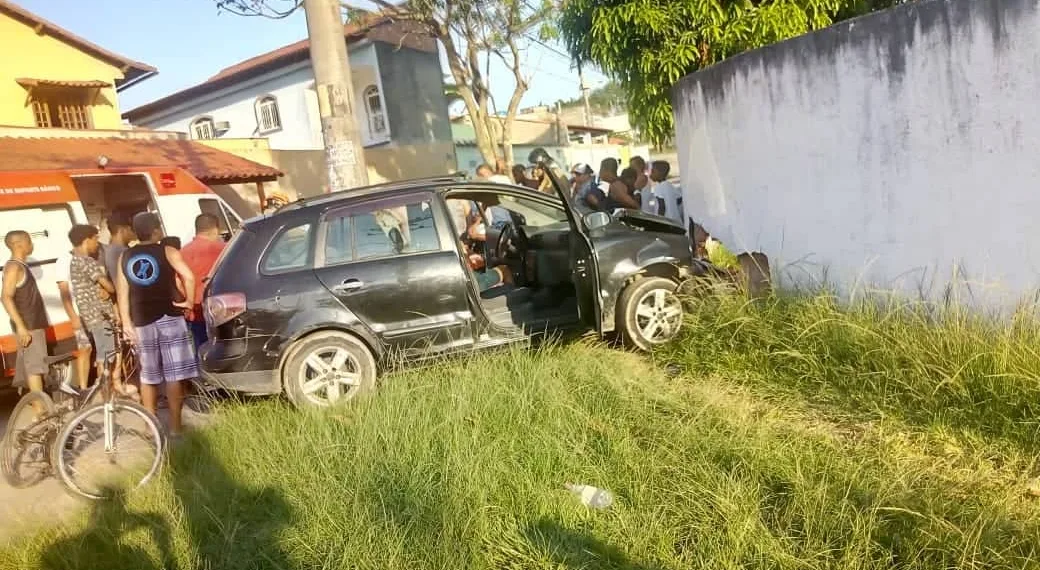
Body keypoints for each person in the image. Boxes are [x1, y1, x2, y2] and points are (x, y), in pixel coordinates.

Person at [116, 212, 197, 437]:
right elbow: (189, 277)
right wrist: (188, 301)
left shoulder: (125, 257)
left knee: (148, 376)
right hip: (169, 316)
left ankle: (149, 427)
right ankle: (175, 427)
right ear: (155, 231)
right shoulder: (168, 251)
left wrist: (126, 323)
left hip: (141, 320)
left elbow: (122, 294)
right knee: (174, 375)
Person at [68, 224, 134, 397]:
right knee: (105, 357)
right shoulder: (86, 261)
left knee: (106, 355)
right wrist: (111, 288)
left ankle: (108, 392)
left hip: (93, 317)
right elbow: (109, 286)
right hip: (99, 317)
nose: (97, 243)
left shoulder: (75, 261)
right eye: (95, 238)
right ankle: (106, 396)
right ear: (86, 240)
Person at [2, 231, 49, 395]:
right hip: (28, 326)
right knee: (34, 369)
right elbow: (6, 297)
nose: (32, 244)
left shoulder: (20, 266)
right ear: (20, 244)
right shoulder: (13, 267)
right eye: (30, 241)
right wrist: (22, 327)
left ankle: (39, 408)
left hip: (32, 324)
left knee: (34, 367)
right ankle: (41, 411)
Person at [180, 214, 227, 353]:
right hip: (221, 311)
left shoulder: (182, 253)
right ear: (214, 230)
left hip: (194, 313)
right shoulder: (223, 249)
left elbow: (177, 283)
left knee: (200, 351)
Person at [105, 214, 135, 281]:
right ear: (122, 230)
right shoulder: (119, 252)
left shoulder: (110, 250)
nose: (132, 233)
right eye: (130, 229)